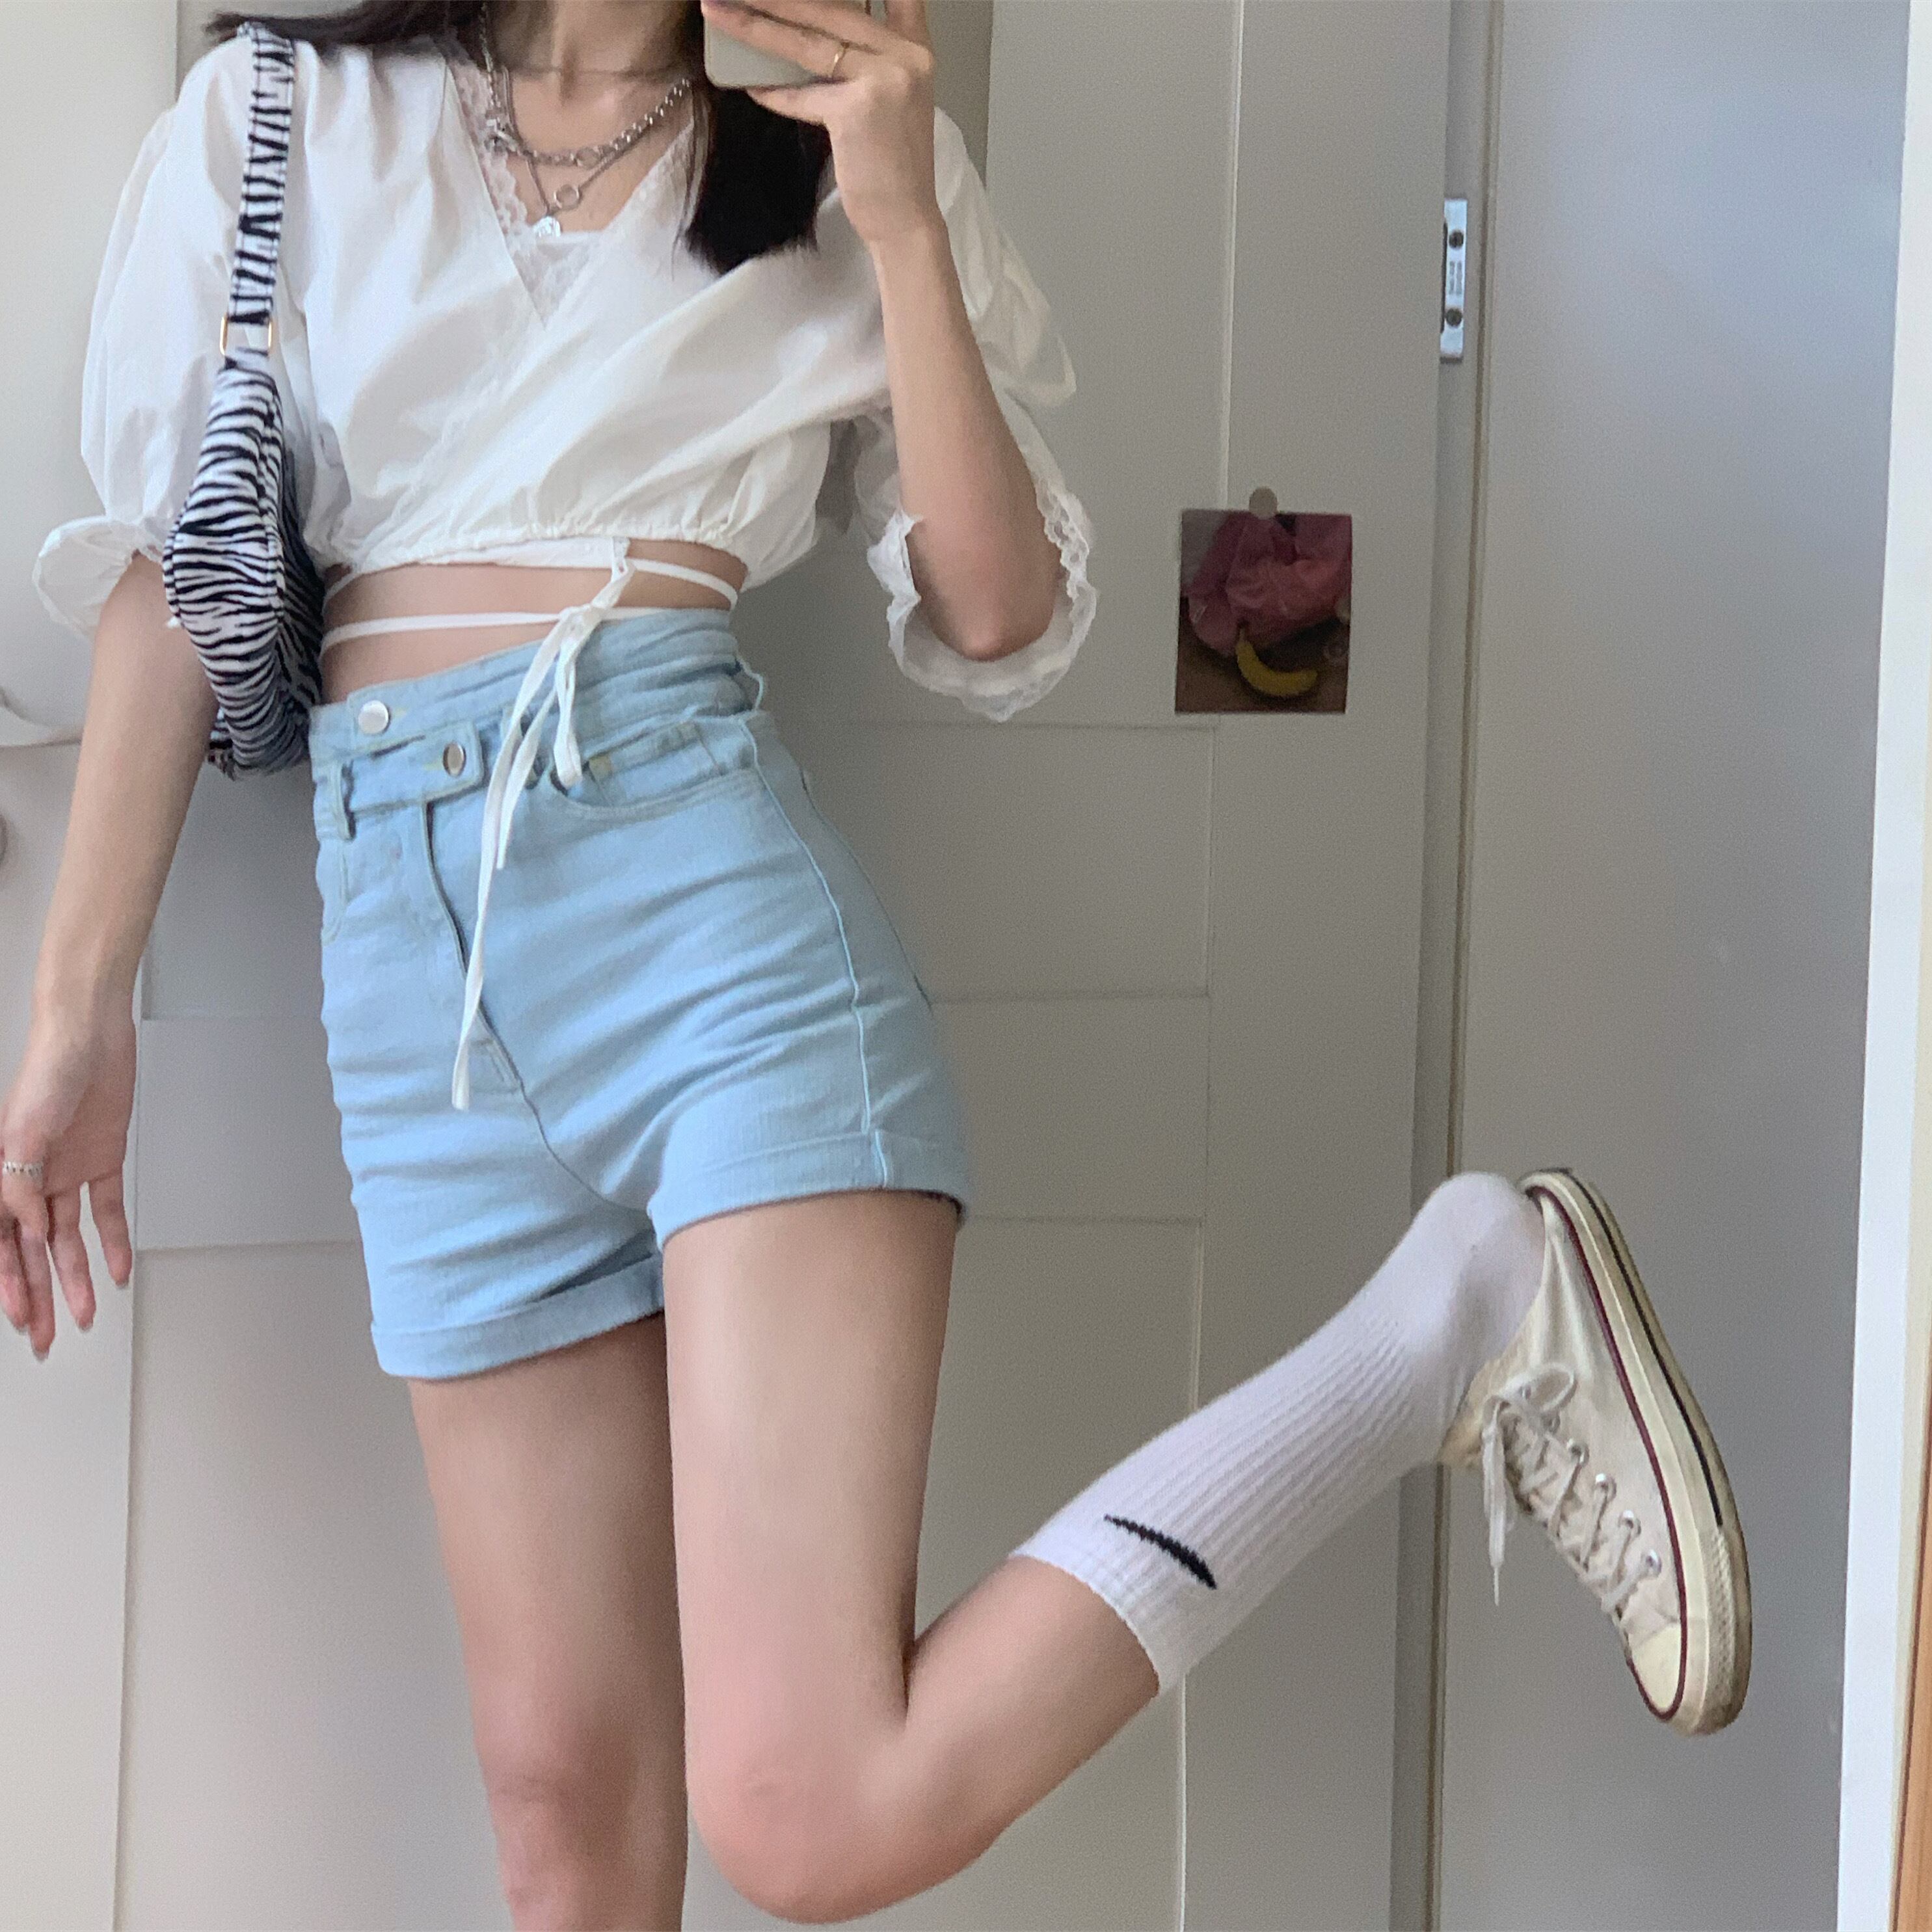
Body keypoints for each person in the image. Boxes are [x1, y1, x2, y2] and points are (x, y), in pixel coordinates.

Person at [0, 1, 1751, 1924]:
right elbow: (172, 581)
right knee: (559, 1813)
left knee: (808, 1811)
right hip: (417, 1003)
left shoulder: (825, 153)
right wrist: (80, 1012)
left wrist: (902, 213)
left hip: (704, 926)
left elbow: (998, 610)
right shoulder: (281, 117)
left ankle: (1453, 1318)